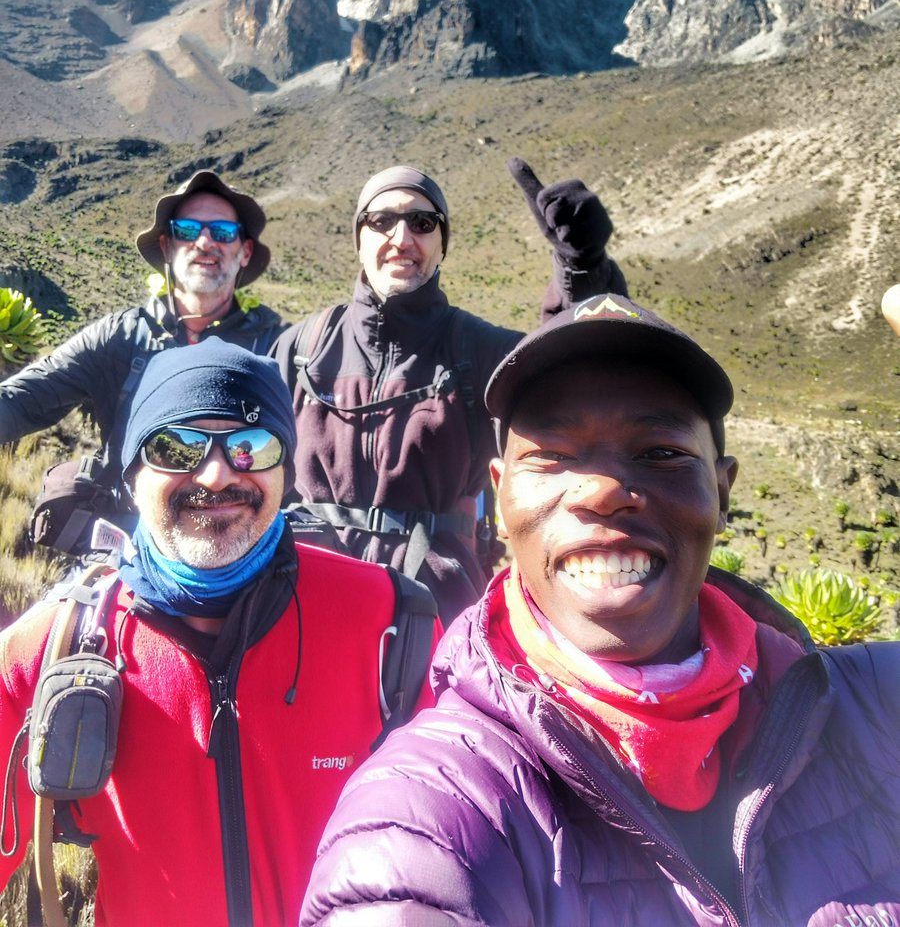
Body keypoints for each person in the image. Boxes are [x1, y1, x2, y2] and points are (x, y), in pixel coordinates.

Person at [301, 293, 900, 926]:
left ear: (722, 492)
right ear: (499, 500)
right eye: (554, 456)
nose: (604, 492)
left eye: (660, 453)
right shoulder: (435, 807)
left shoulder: (875, 709)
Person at [0, 339, 437, 926]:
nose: (215, 472)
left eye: (251, 445)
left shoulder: (392, 621)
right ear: (132, 472)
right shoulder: (51, 650)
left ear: (287, 469)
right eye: (175, 445)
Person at [275, 159, 628, 624]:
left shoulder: (479, 350)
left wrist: (582, 270)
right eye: (381, 221)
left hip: (434, 609)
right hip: (302, 598)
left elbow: (573, 376)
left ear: (442, 245)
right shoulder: (303, 347)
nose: (401, 239)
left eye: (422, 223)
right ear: (358, 239)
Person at [0, 169, 283, 494]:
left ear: (245, 251)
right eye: (187, 230)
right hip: (129, 531)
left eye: (223, 231)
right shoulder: (120, 336)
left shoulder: (273, 344)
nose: (204, 242)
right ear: (167, 246)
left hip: (237, 530)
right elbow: (24, 399)